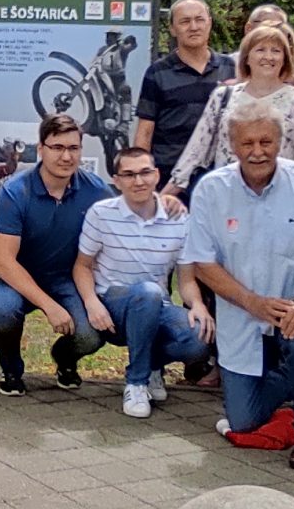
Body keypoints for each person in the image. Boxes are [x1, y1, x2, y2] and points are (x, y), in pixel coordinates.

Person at [184, 101, 294, 471]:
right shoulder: (211, 190)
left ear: (281, 140)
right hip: (242, 310)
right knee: (244, 421)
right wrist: (252, 303)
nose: (257, 152)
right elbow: (201, 263)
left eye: (266, 142)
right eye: (247, 143)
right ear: (232, 145)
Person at [73, 146, 211, 419]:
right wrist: (91, 302)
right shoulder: (101, 214)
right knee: (148, 292)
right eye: (129, 174)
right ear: (117, 181)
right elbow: (82, 266)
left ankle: (151, 366)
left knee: (198, 337)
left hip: (156, 305)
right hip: (113, 306)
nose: (138, 181)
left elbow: (186, 279)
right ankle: (136, 383)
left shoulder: (178, 219)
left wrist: (197, 305)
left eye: (145, 172)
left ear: (157, 175)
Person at [0, 114, 114, 395]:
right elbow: (3, 262)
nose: (66, 156)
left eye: (73, 148)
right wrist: (50, 306)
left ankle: (65, 359)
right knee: (3, 312)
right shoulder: (15, 192)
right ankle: (11, 370)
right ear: (41, 149)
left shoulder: (96, 192)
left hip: (68, 278)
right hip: (16, 276)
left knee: (90, 335)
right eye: (57, 148)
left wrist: (163, 203)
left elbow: (128, 216)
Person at [164, 24, 294, 196]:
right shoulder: (223, 97)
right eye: (260, 50)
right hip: (228, 196)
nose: (268, 57)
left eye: (276, 51)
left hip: (281, 197)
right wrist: (167, 194)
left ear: (285, 59)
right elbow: (196, 150)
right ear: (246, 58)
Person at [137, 0, 235, 198]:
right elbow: (145, 132)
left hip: (221, 177)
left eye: (199, 20)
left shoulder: (232, 68)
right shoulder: (157, 73)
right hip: (170, 180)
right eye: (185, 21)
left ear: (209, 23)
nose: (193, 27)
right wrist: (143, 176)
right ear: (172, 29)